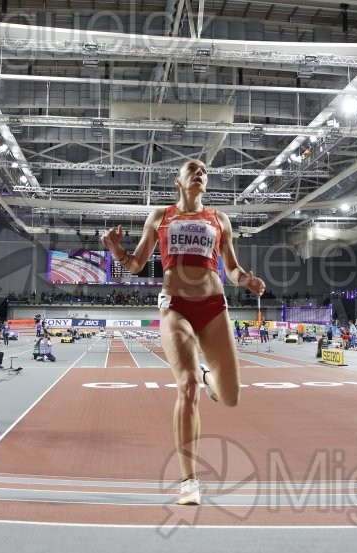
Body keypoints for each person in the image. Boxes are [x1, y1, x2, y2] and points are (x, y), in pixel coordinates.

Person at [102, 158, 265, 506]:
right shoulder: (160, 217)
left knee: (231, 396)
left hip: (214, 306)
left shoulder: (219, 220)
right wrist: (117, 252)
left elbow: (232, 268)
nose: (200, 173)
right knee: (186, 385)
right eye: (193, 169)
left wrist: (246, 280)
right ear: (178, 180)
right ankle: (188, 481)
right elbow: (135, 265)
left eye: (205, 171)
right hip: (175, 306)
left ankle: (210, 380)